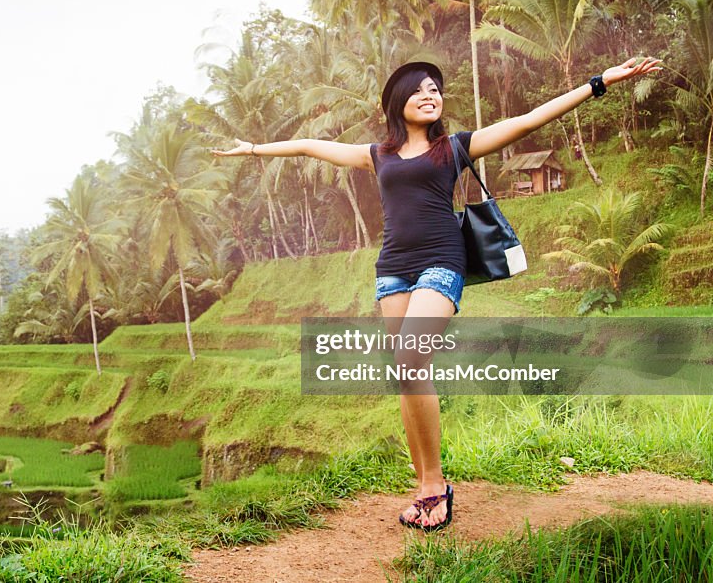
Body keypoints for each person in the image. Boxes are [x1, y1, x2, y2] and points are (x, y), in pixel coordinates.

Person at [211, 55, 662, 531]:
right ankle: (426, 484)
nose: (431, 96)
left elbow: (529, 120)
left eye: (436, 90)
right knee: (406, 373)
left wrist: (599, 83)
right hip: (393, 270)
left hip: (442, 263)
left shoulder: (453, 148)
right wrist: (254, 149)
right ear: (398, 101)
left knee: (410, 358)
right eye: (420, 89)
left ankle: (434, 487)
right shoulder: (377, 155)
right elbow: (309, 146)